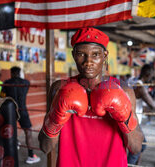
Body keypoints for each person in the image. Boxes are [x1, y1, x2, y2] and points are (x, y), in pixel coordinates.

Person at [38, 27, 144, 167]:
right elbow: (45, 147)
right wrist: (55, 119)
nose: (88, 62)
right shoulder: (59, 89)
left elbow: (136, 148)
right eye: (81, 54)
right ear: (74, 55)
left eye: (95, 55)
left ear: (105, 55)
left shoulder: (123, 90)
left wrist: (125, 118)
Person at [1, 67, 40, 164]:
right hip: (22, 110)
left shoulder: (6, 82)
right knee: (28, 132)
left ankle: (9, 154)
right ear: (19, 73)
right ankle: (31, 155)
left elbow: (2, 96)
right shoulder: (26, 82)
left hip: (11, 110)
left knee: (10, 130)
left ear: (11, 73)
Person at [127, 64, 155, 165]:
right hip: (133, 120)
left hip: (129, 117)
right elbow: (152, 104)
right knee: (138, 148)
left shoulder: (131, 80)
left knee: (140, 146)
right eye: (151, 76)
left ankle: (135, 164)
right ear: (148, 75)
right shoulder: (140, 87)